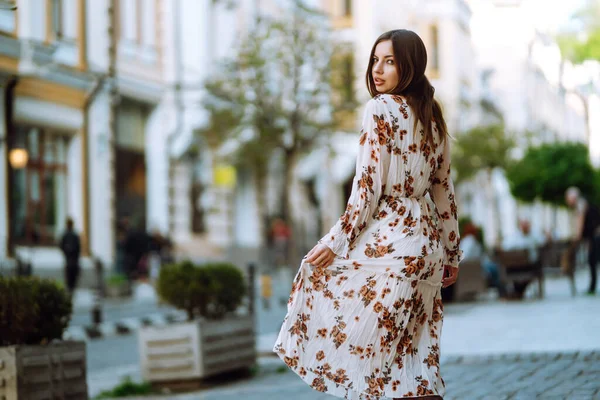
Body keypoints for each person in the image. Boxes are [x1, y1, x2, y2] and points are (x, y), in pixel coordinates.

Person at [273, 30, 462, 400]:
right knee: (415, 362)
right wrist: (452, 253)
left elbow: (367, 188)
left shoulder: (380, 108)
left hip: (390, 244)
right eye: (375, 60)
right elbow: (444, 191)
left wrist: (335, 241)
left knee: (377, 367)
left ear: (410, 65)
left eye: (389, 61)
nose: (378, 70)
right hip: (426, 248)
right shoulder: (433, 117)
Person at [566, 186, 600, 295]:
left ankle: (592, 287)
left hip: (596, 235)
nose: (567, 200)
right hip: (594, 236)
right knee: (592, 261)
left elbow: (580, 221)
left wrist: (577, 237)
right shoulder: (583, 203)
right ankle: (592, 287)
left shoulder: (580, 204)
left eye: (568, 198)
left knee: (593, 261)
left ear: (573, 197)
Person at [60, 217, 81, 298]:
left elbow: (78, 247)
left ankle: (71, 290)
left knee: (71, 276)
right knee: (70, 276)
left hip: (72, 259)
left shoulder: (72, 235)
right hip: (70, 259)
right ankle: (70, 290)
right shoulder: (67, 235)